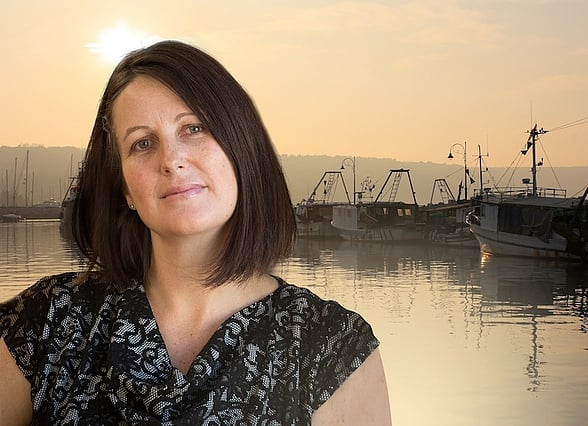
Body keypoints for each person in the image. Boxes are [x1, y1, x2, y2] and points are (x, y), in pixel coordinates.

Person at [0, 40, 391, 424]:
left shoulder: (332, 346)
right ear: (125, 190)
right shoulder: (44, 322)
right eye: (142, 143)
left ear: (241, 147)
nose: (171, 160)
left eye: (194, 128)